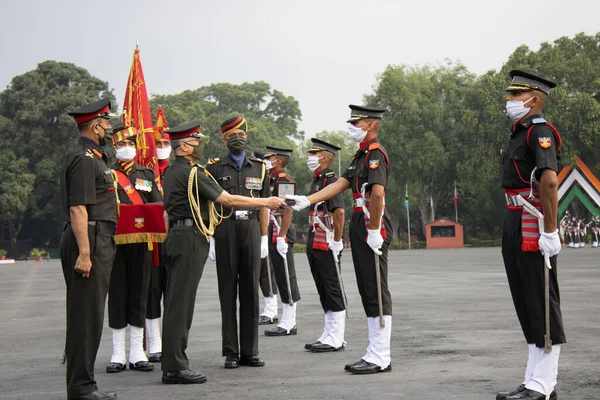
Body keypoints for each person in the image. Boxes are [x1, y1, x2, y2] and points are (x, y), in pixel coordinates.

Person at [161, 121, 285, 384]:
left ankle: (178, 362)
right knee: (181, 304)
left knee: (179, 303)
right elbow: (227, 200)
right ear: (183, 146)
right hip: (193, 236)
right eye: (196, 141)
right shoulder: (193, 173)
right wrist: (266, 201)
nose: (200, 145)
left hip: (192, 234)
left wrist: (263, 235)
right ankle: (175, 366)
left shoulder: (175, 171)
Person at [287, 105, 392, 374]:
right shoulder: (360, 156)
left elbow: (378, 193)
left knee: (375, 287)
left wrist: (374, 229)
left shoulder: (375, 154)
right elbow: (341, 184)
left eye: (356, 123)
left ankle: (381, 355)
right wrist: (307, 200)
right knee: (366, 287)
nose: (351, 127)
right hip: (362, 218)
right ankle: (373, 351)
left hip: (370, 218)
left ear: (369, 124)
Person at [496, 70, 565, 400]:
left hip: (533, 223)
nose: (509, 100)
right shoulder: (517, 133)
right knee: (526, 302)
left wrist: (550, 231)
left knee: (541, 300)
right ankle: (534, 378)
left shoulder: (539, 132)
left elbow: (550, 181)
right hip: (514, 220)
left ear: (534, 99)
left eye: (515, 95)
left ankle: (545, 382)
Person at [60, 98, 119, 400]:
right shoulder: (85, 158)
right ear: (96, 126)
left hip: (98, 238)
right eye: (107, 122)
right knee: (86, 316)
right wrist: (85, 253)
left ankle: (84, 384)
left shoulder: (96, 156)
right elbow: (78, 208)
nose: (110, 127)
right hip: (90, 239)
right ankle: (81, 388)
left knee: (91, 315)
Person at [205, 116, 271, 369]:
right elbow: (209, 204)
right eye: (233, 136)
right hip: (225, 229)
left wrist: (265, 236)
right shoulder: (214, 168)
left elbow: (265, 205)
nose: (238, 139)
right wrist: (211, 235)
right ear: (224, 140)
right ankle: (231, 351)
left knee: (250, 293)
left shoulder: (260, 168)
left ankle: (250, 351)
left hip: (251, 228)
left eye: (242, 135)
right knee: (228, 291)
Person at [106, 126, 162, 374]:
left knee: (140, 293)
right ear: (114, 148)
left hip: (143, 242)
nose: (126, 147)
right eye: (121, 144)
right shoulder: (108, 175)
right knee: (118, 293)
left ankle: (138, 352)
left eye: (130, 142)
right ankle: (118, 351)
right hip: (115, 242)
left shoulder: (146, 174)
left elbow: (158, 204)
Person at [302, 138, 347, 353]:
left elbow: (338, 212)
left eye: (313, 153)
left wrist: (338, 240)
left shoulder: (331, 181)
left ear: (324, 157)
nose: (310, 157)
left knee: (332, 286)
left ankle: (337, 336)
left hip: (327, 241)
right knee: (322, 287)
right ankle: (328, 332)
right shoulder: (318, 180)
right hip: (315, 239)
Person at [263, 146, 301, 336]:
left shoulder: (284, 181)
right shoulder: (271, 179)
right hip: (273, 231)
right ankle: (285, 318)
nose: (266, 160)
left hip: (281, 232)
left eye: (269, 158)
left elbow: (288, 210)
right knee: (279, 274)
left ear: (277, 161)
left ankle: (289, 322)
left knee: (287, 276)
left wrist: (281, 236)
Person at [145, 130, 171, 363]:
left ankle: (172, 343)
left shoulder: (178, 171)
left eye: (166, 143)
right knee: (152, 292)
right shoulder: (145, 173)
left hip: (175, 238)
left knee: (174, 294)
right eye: (158, 143)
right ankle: (154, 342)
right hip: (152, 240)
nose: (162, 146)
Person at [253, 151, 280, 325]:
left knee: (267, 271)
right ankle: (268, 308)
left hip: (273, 228)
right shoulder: (265, 179)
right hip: (260, 226)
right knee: (261, 269)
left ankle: (272, 309)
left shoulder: (279, 179)